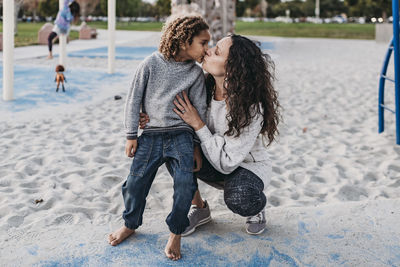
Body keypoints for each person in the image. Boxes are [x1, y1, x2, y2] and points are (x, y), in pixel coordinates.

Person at [140, 34, 280, 237]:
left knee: (241, 199)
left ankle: (257, 207)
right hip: (213, 158)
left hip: (247, 167)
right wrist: (144, 117)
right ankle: (200, 208)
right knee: (173, 149)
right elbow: (169, 114)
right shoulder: (202, 87)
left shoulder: (250, 106)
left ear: (233, 67)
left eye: (217, 52)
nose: (208, 51)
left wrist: (198, 123)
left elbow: (227, 162)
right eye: (211, 47)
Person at [108, 16, 211, 261]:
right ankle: (130, 224)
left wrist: (196, 146)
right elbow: (133, 100)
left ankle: (176, 232)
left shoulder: (196, 74)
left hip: (181, 136)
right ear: (185, 41)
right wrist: (131, 134)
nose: (207, 49)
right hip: (151, 135)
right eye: (203, 43)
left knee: (185, 185)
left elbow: (200, 111)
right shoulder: (150, 64)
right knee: (134, 184)